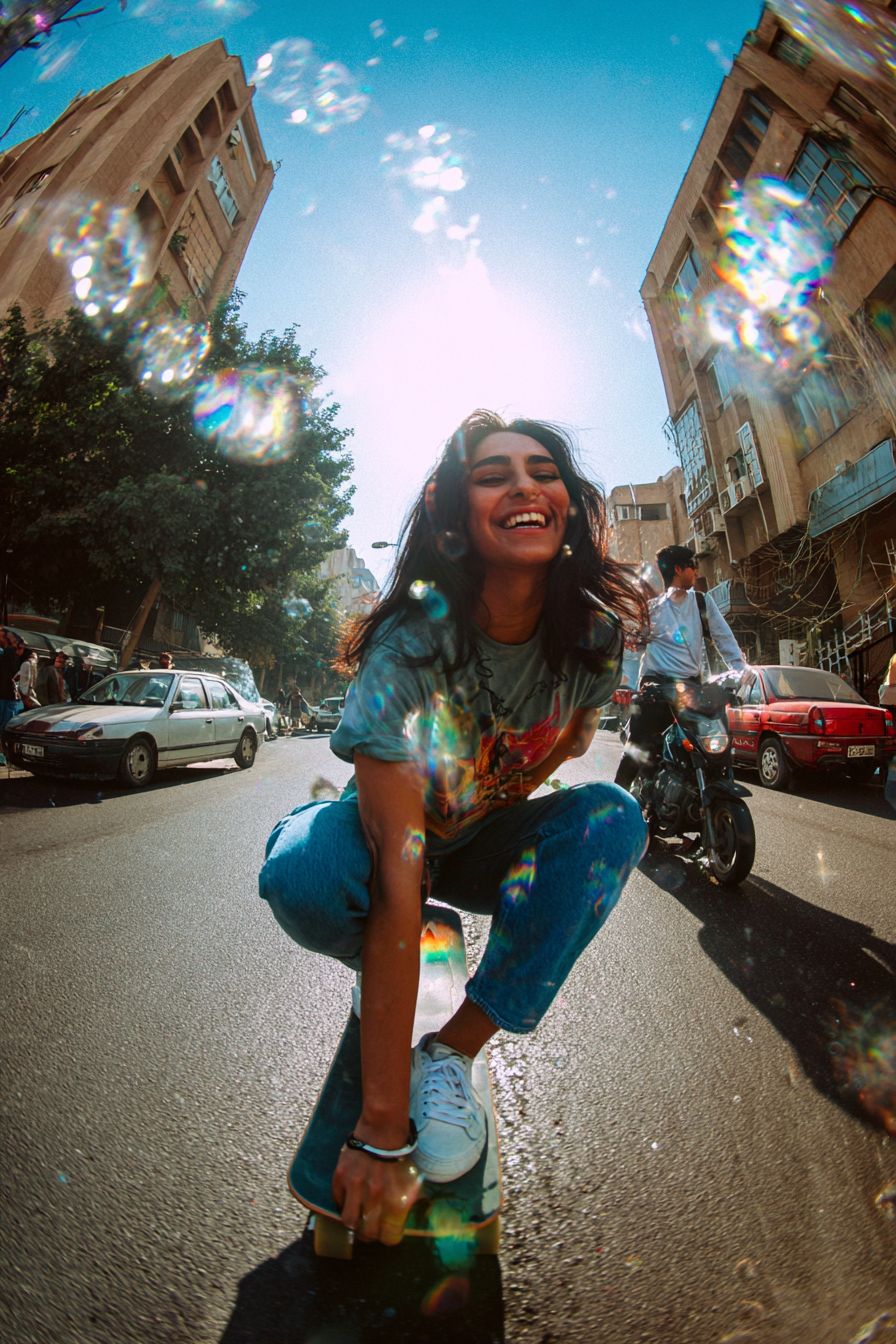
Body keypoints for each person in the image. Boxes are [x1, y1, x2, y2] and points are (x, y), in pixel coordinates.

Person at [259, 410, 649, 1246]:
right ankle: (381, 974)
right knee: (306, 875)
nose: (523, 485)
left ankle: (451, 1053)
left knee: (612, 819)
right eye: (492, 473)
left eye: (542, 470)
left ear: (568, 506)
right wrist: (379, 1125)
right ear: (453, 514)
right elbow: (402, 874)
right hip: (384, 847)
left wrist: (493, 808)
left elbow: (569, 747)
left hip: (480, 842)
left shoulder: (592, 641)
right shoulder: (409, 652)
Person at [614, 544, 747, 791]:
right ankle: (617, 800)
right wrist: (625, 683)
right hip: (656, 687)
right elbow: (633, 651)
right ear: (678, 569)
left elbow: (723, 637)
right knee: (638, 748)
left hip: (692, 688)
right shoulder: (653, 609)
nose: (696, 571)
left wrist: (740, 670)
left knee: (713, 744)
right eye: (692, 566)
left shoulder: (701, 602)